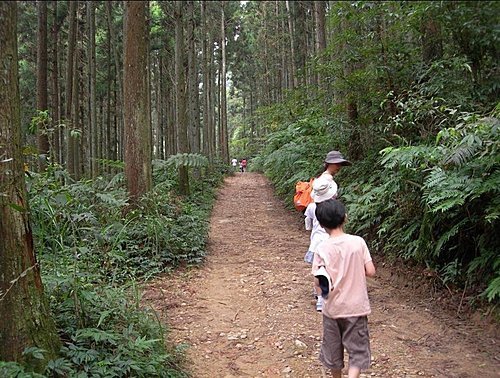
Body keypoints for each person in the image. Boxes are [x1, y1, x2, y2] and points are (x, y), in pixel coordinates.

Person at [312, 199, 376, 378]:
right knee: (357, 352)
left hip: (332, 309)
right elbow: (370, 271)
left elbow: (318, 283)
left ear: (321, 224)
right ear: (345, 218)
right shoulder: (358, 242)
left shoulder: (321, 248)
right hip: (356, 308)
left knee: (333, 351)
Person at [304, 176, 338, 312]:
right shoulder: (335, 207)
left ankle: (320, 299)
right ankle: (331, 294)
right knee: (331, 270)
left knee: (318, 271)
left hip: (317, 244)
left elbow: (308, 223)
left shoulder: (312, 207)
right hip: (332, 243)